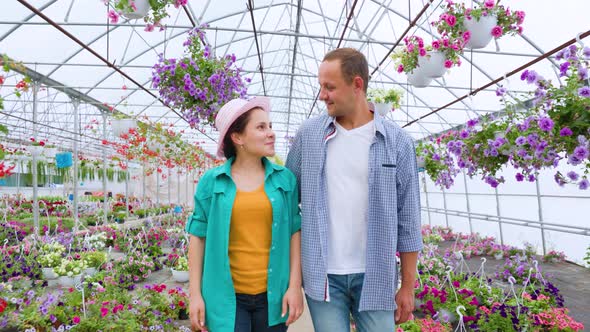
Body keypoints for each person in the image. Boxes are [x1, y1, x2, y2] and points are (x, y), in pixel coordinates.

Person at [285, 48, 423, 331]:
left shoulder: (397, 143)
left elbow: (408, 221)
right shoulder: (308, 136)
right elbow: (287, 203)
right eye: (321, 86)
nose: (322, 94)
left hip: (376, 275)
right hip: (322, 276)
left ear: (357, 85)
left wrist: (408, 286)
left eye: (330, 87)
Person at [186, 97, 304, 332]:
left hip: (273, 298)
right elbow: (197, 238)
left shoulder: (285, 180)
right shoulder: (212, 182)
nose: (271, 133)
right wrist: (195, 295)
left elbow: (294, 233)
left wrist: (294, 286)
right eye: (261, 127)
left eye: (270, 126)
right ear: (237, 137)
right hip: (225, 298)